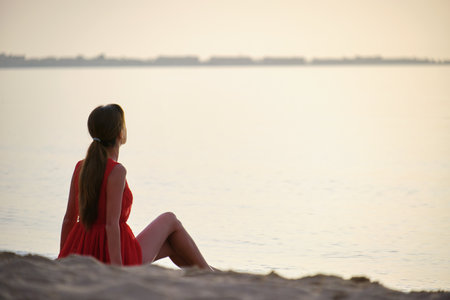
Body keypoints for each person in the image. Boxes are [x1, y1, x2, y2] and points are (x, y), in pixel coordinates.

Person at [59, 104, 212, 270]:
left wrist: (63, 257)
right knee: (170, 219)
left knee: (172, 245)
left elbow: (69, 218)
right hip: (114, 255)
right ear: (121, 133)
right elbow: (111, 225)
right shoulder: (116, 171)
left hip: (83, 249)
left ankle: (209, 272)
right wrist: (117, 269)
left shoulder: (80, 167)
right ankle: (209, 274)